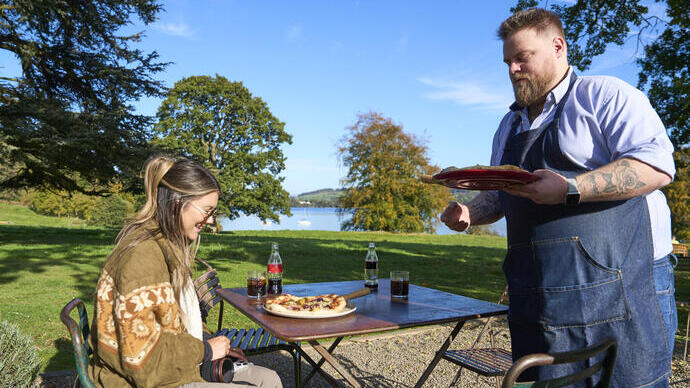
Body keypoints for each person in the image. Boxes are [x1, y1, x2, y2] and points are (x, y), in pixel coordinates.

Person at [441, 8, 676, 388]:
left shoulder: (604, 96)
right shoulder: (508, 125)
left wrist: (570, 188)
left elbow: (657, 166)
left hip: (626, 287)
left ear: (558, 47)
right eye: (508, 62)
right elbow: (501, 196)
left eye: (522, 58)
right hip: (541, 296)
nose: (513, 70)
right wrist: (469, 211)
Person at [88, 156, 282, 388]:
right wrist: (206, 350)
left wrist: (210, 343)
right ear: (177, 202)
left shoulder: (167, 247)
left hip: (171, 365)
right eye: (207, 211)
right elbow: (143, 363)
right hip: (141, 380)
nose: (211, 222)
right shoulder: (142, 258)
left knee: (268, 379)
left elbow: (174, 324)